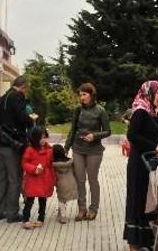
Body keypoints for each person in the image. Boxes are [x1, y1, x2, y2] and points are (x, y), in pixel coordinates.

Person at [124, 80, 158, 251]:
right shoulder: (141, 111)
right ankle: (134, 240)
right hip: (139, 162)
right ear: (149, 93)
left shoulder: (153, 113)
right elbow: (132, 135)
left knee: (150, 199)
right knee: (137, 198)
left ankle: (148, 239)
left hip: (151, 161)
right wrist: (154, 146)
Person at [64, 83, 111, 221]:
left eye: (84, 94)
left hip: (94, 151)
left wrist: (94, 136)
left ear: (91, 95)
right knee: (80, 180)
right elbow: (72, 130)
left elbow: (108, 131)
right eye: (80, 94)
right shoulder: (78, 109)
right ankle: (81, 209)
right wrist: (66, 148)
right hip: (78, 148)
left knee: (92, 179)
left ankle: (93, 209)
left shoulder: (100, 110)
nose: (81, 97)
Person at [0, 75, 34, 222]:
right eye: (26, 88)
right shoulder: (17, 97)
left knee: (1, 179)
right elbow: (22, 118)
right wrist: (31, 119)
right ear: (23, 86)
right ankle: (12, 213)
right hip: (12, 145)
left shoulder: (2, 98)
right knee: (15, 179)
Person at [21, 127, 55, 229]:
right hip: (33, 179)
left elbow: (52, 162)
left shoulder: (49, 149)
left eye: (44, 137)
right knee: (29, 200)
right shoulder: (30, 149)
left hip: (44, 179)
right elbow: (24, 163)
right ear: (35, 138)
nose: (43, 140)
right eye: (41, 138)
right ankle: (25, 219)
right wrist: (33, 169)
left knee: (42, 200)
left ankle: (41, 218)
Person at [52, 145, 78, 224]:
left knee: (61, 200)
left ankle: (63, 217)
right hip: (72, 183)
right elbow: (74, 172)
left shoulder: (53, 164)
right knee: (64, 199)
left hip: (61, 184)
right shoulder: (70, 162)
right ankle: (60, 213)